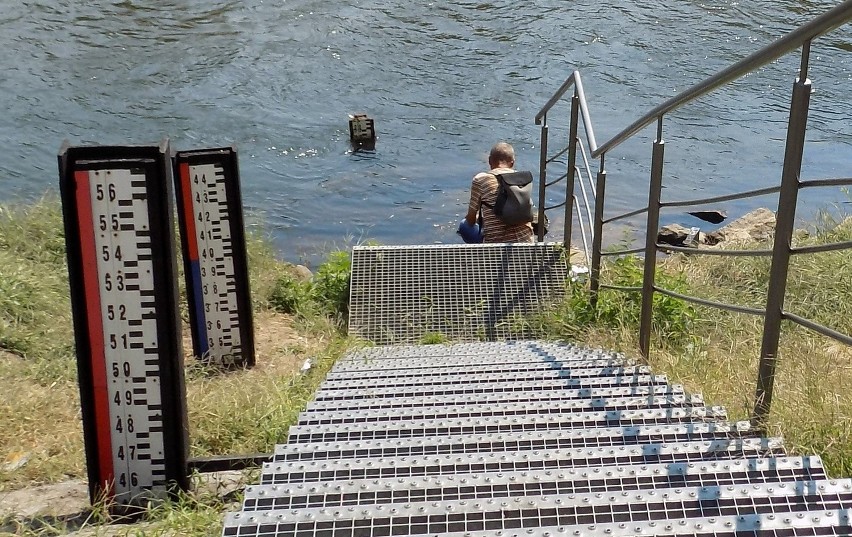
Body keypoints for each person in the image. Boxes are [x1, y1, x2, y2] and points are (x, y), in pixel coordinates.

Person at [464, 142, 534, 243]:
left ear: (489, 161)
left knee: (464, 226)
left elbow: (470, 221)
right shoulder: (522, 180)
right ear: (512, 162)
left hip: (495, 244)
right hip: (526, 242)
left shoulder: (480, 179)